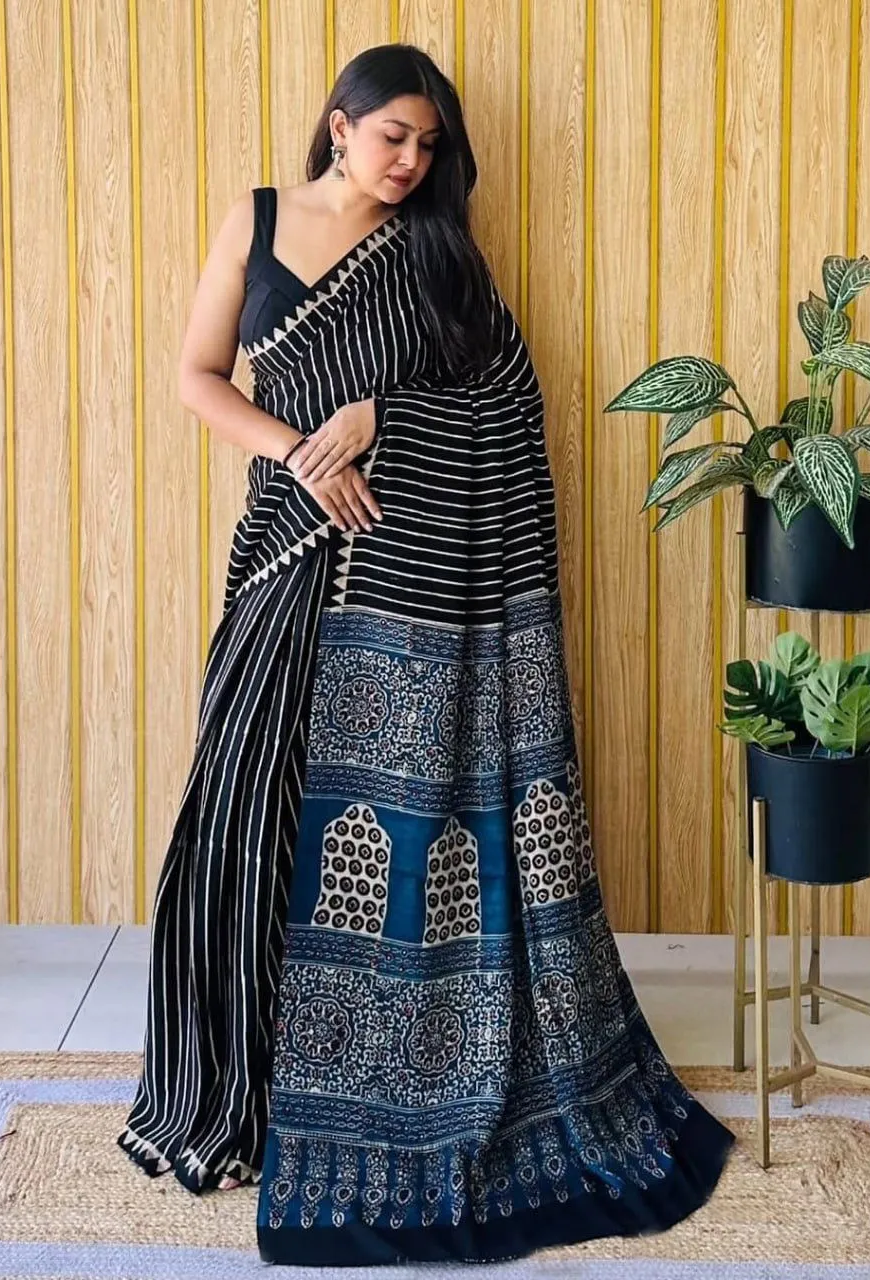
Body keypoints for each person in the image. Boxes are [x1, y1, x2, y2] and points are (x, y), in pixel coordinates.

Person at [117, 41, 734, 1267]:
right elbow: (196, 376)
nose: (410, 161)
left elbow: (507, 402)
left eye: (428, 144)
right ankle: (233, 1096)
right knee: (245, 818)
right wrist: (303, 448)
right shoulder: (254, 224)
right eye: (393, 134)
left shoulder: (440, 255)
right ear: (339, 124)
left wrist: (383, 416)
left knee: (363, 848)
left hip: (417, 597)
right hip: (289, 563)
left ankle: (367, 1086)